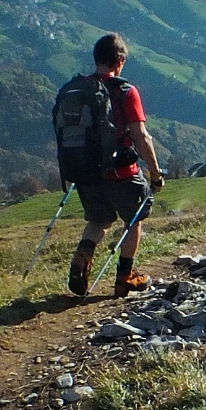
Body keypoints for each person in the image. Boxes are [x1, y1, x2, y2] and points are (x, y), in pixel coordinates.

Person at [67, 33, 165, 298]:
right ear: (119, 62)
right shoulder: (125, 91)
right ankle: (125, 277)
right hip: (122, 172)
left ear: (96, 59)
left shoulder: (79, 89)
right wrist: (155, 173)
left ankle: (83, 255)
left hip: (86, 173)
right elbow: (141, 137)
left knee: (98, 220)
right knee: (134, 220)